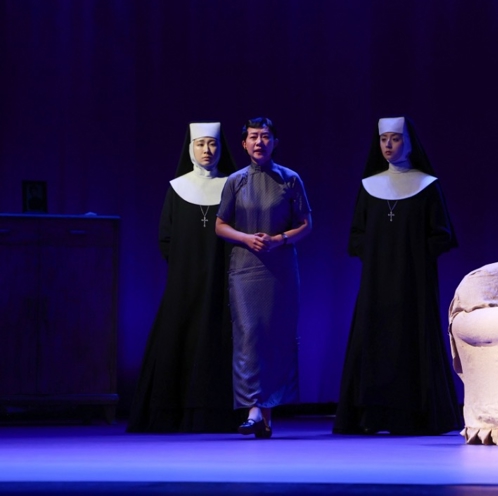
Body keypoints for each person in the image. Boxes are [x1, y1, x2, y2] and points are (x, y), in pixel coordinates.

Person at [333, 116, 462, 435]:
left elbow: (442, 235)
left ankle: (415, 417)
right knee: (373, 340)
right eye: (383, 139)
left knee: (412, 339)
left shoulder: (427, 185)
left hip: (414, 283)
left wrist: (411, 254)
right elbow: (357, 234)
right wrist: (379, 254)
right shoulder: (369, 186)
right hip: (376, 282)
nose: (388, 145)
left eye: (395, 139)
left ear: (409, 143)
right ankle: (371, 417)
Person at [128, 121, 239, 433]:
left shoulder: (232, 186)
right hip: (183, 283)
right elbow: (165, 237)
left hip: (221, 281)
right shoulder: (177, 188)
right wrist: (182, 269)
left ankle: (217, 414)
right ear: (191, 149)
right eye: (201, 144)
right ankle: (172, 414)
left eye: (212, 144)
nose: (207, 150)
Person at [215, 117, 312, 439]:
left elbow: (306, 224)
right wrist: (246, 238)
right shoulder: (235, 181)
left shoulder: (290, 179)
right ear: (244, 144)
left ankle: (264, 416)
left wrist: (279, 239)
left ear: (275, 142)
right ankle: (254, 409)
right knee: (249, 335)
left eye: (265, 136)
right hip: (245, 268)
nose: (259, 142)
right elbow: (220, 225)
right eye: (253, 137)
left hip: (280, 268)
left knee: (274, 336)